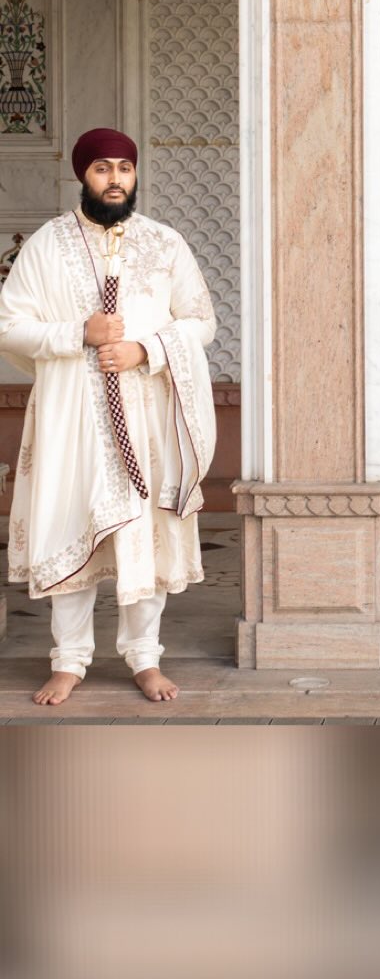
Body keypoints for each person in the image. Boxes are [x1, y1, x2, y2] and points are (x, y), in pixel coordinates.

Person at [0, 127, 216, 707]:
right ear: (82, 176)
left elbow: (201, 321)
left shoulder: (165, 243)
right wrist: (79, 334)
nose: (115, 179)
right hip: (72, 421)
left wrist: (146, 350)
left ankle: (145, 658)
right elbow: (7, 326)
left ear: (136, 174)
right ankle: (68, 661)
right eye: (102, 169)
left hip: (146, 417)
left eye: (124, 167)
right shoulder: (46, 245)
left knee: (145, 533)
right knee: (70, 528)